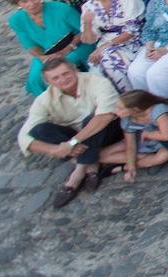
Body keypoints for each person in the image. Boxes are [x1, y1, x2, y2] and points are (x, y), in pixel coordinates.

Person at [16, 58, 123, 209]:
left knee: (92, 120)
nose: (63, 79)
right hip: (75, 140)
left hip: (108, 130)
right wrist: (55, 149)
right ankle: (92, 163)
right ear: (48, 82)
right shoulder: (44, 99)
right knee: (39, 129)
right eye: (55, 78)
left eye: (65, 73)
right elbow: (24, 137)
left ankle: (77, 174)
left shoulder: (97, 82)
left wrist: (72, 143)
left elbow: (105, 116)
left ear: (74, 70)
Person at [8, 0, 95, 96]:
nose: (31, 4)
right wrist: (43, 57)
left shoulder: (61, 9)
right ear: (18, 4)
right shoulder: (16, 20)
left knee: (58, 70)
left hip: (78, 45)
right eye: (25, 1)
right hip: (48, 52)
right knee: (35, 78)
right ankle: (51, 105)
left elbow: (83, 30)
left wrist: (66, 50)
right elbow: (29, 45)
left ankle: (76, 95)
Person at [98, 89, 168, 179]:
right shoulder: (127, 119)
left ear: (135, 110)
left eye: (120, 109)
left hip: (165, 141)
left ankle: (122, 167)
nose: (116, 111)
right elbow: (130, 145)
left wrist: (148, 134)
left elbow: (166, 136)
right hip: (143, 141)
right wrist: (131, 166)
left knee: (162, 157)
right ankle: (143, 158)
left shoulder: (158, 111)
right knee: (100, 156)